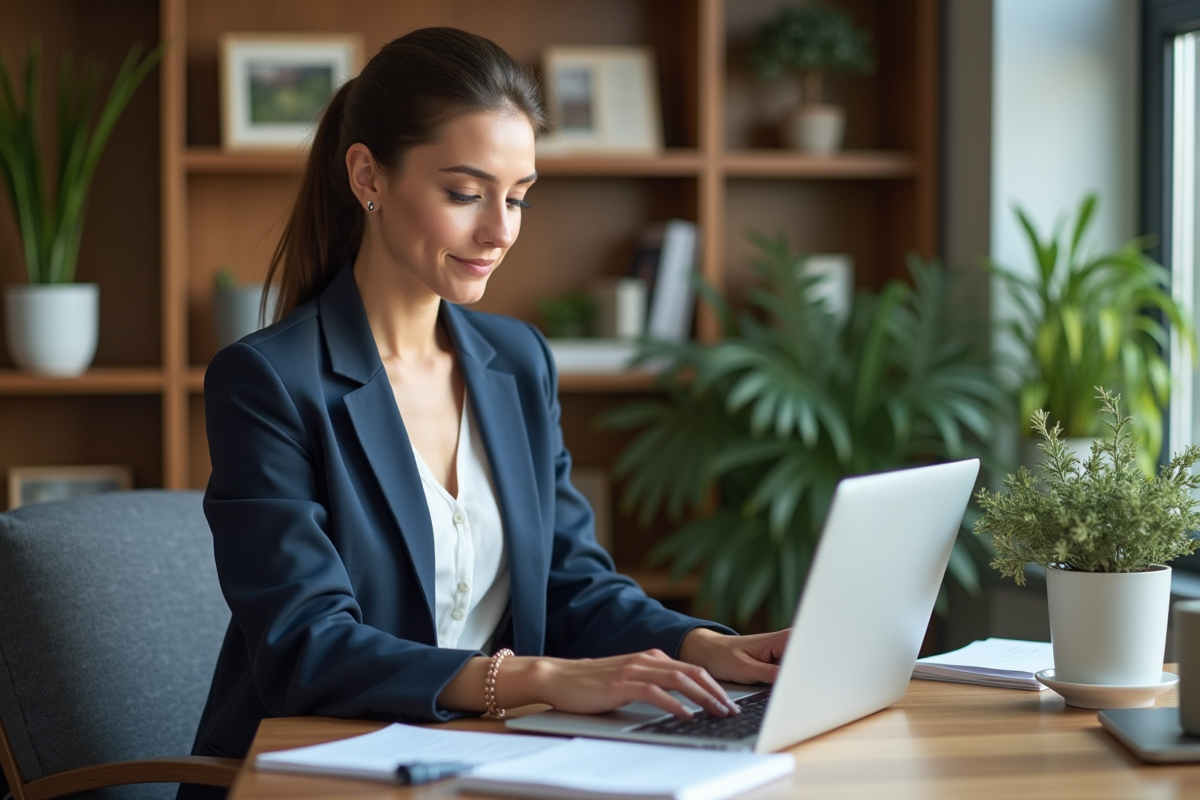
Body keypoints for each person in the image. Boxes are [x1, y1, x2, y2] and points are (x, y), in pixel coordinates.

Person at [181, 27, 788, 797]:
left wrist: (703, 646)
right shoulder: (267, 381)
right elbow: (306, 646)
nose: (500, 231)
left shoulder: (518, 361)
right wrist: (531, 679)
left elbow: (570, 583)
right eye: (465, 194)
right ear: (368, 174)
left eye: (519, 197)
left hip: (488, 761)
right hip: (326, 769)